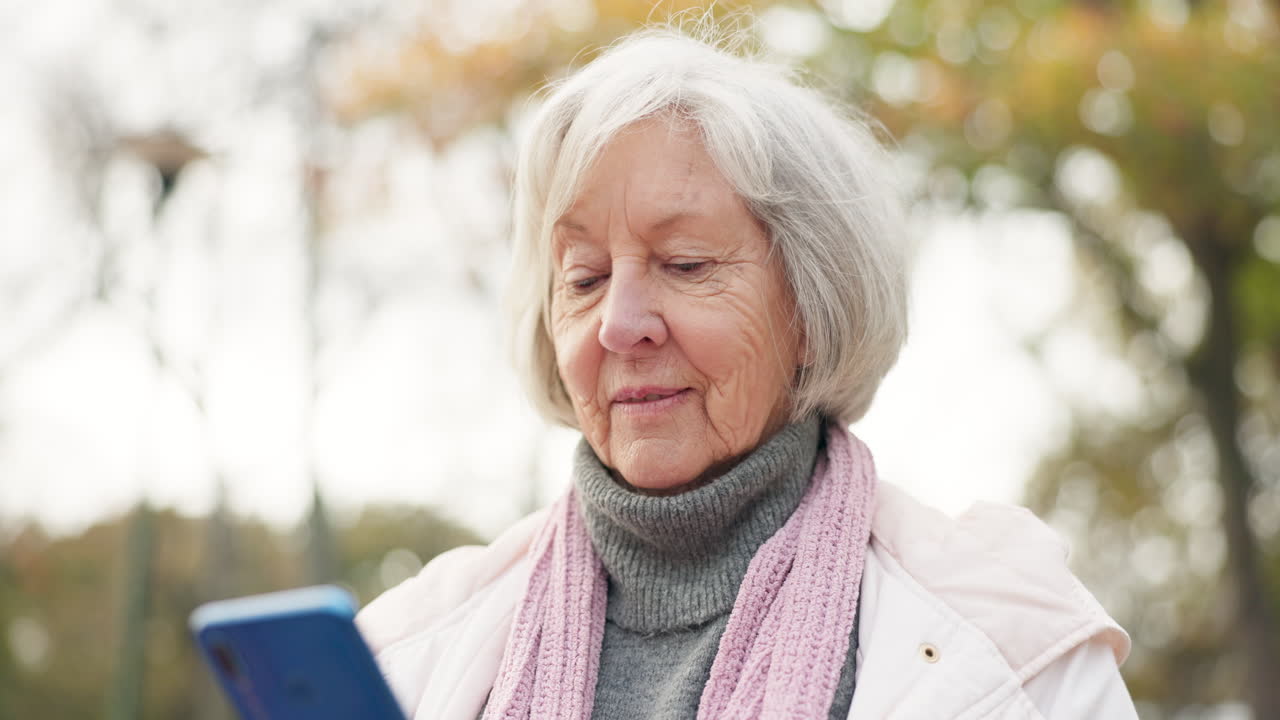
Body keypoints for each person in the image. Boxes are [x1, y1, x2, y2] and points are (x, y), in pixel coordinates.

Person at [356, 27, 1139, 720]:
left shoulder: (1018, 658)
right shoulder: (398, 656)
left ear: (812, 307)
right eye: (585, 278)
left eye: (686, 264)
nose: (619, 324)